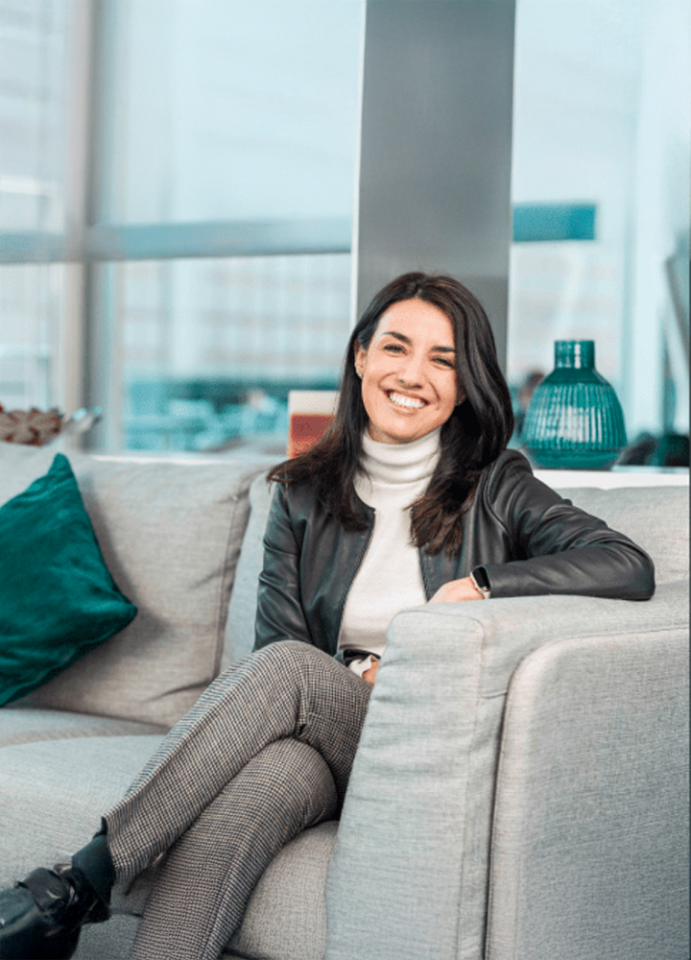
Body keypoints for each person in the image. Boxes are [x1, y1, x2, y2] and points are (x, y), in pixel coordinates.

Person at [0, 272, 654, 960]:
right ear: (361, 358)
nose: (412, 373)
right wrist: (347, 678)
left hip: (417, 734)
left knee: (285, 671)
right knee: (259, 786)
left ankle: (84, 878)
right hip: (327, 734)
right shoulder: (303, 493)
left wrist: (483, 584)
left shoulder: (497, 482)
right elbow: (279, 649)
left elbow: (623, 563)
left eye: (442, 359)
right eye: (396, 348)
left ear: (466, 386)